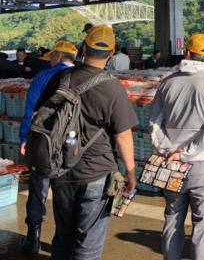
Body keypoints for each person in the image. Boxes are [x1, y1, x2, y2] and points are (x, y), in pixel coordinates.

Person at [35, 25, 138, 260]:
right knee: (88, 243)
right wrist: (131, 172)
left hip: (60, 167)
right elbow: (123, 135)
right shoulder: (113, 88)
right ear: (111, 53)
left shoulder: (60, 79)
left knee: (64, 235)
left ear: (83, 48)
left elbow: (41, 115)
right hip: (96, 172)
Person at [149, 33, 204, 260]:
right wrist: (188, 152)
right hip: (203, 163)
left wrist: (168, 151)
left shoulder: (167, 82)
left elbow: (154, 122)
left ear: (187, 52)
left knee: (172, 219)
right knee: (203, 225)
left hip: (171, 164)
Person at [18, 41, 78, 254]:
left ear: (59, 56)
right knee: (66, 194)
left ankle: (33, 238)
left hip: (42, 142)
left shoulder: (43, 77)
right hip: (71, 146)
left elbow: (31, 111)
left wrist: (24, 138)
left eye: (52, 56)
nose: (50, 59)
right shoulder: (83, 76)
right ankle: (62, 244)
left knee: (38, 190)